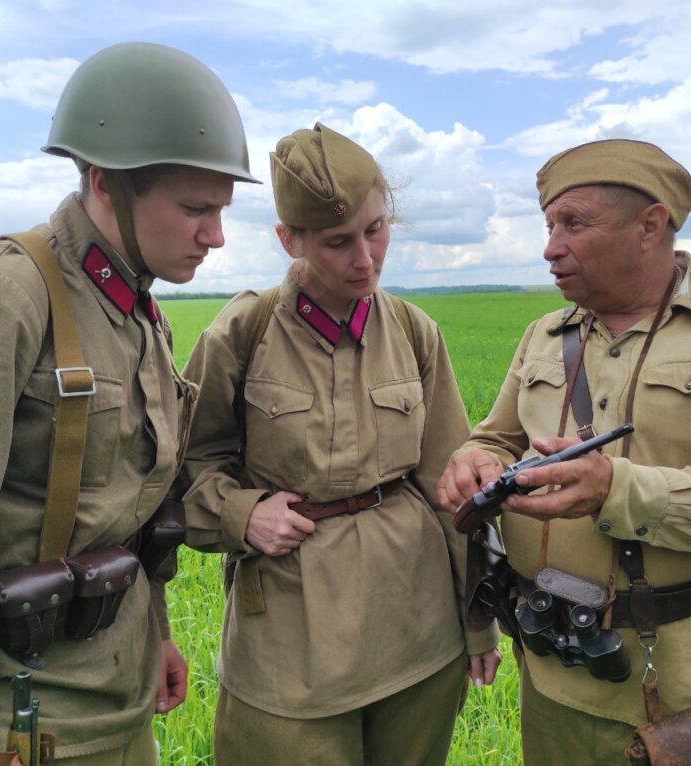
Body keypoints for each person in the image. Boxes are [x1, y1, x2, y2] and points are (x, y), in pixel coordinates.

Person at [0, 42, 258, 765]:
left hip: (114, 711)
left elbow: (125, 514)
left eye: (221, 210)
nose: (216, 235)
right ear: (106, 183)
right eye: (196, 208)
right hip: (11, 735)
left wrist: (156, 632)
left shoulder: (138, 315)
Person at [438, 139, 691, 764]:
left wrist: (619, 490)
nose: (550, 247)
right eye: (548, 225)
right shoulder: (544, 334)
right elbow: (497, 436)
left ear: (651, 226)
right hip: (553, 671)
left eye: (574, 223)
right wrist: (476, 458)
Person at [178, 122, 500, 765]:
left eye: (375, 230)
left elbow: (454, 488)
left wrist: (477, 619)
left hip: (417, 629)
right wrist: (242, 513)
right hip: (290, 642)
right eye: (337, 242)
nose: (366, 259)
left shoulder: (413, 329)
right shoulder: (244, 332)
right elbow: (180, 467)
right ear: (287, 240)